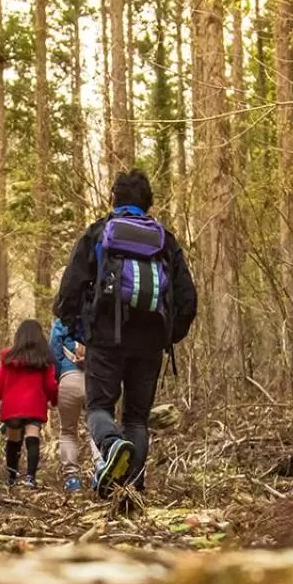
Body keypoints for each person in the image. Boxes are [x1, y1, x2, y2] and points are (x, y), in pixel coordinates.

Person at [54, 169, 196, 497]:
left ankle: (112, 444)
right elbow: (187, 298)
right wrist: (168, 335)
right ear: (148, 203)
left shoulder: (99, 232)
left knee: (100, 408)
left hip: (105, 337)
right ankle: (132, 487)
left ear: (114, 199)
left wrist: (78, 330)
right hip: (150, 341)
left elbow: (69, 291)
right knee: (137, 418)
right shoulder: (165, 239)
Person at [0, 319, 59, 487]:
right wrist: (54, 399)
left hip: (12, 407)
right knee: (33, 437)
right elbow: (50, 385)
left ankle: (11, 477)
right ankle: (30, 477)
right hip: (34, 405)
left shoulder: (8, 358)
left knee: (13, 440)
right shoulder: (44, 360)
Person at [49, 317, 92, 492]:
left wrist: (60, 374)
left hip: (68, 379)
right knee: (95, 429)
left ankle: (72, 478)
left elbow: (53, 350)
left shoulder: (61, 322)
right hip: (94, 380)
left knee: (68, 431)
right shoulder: (96, 315)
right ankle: (101, 468)